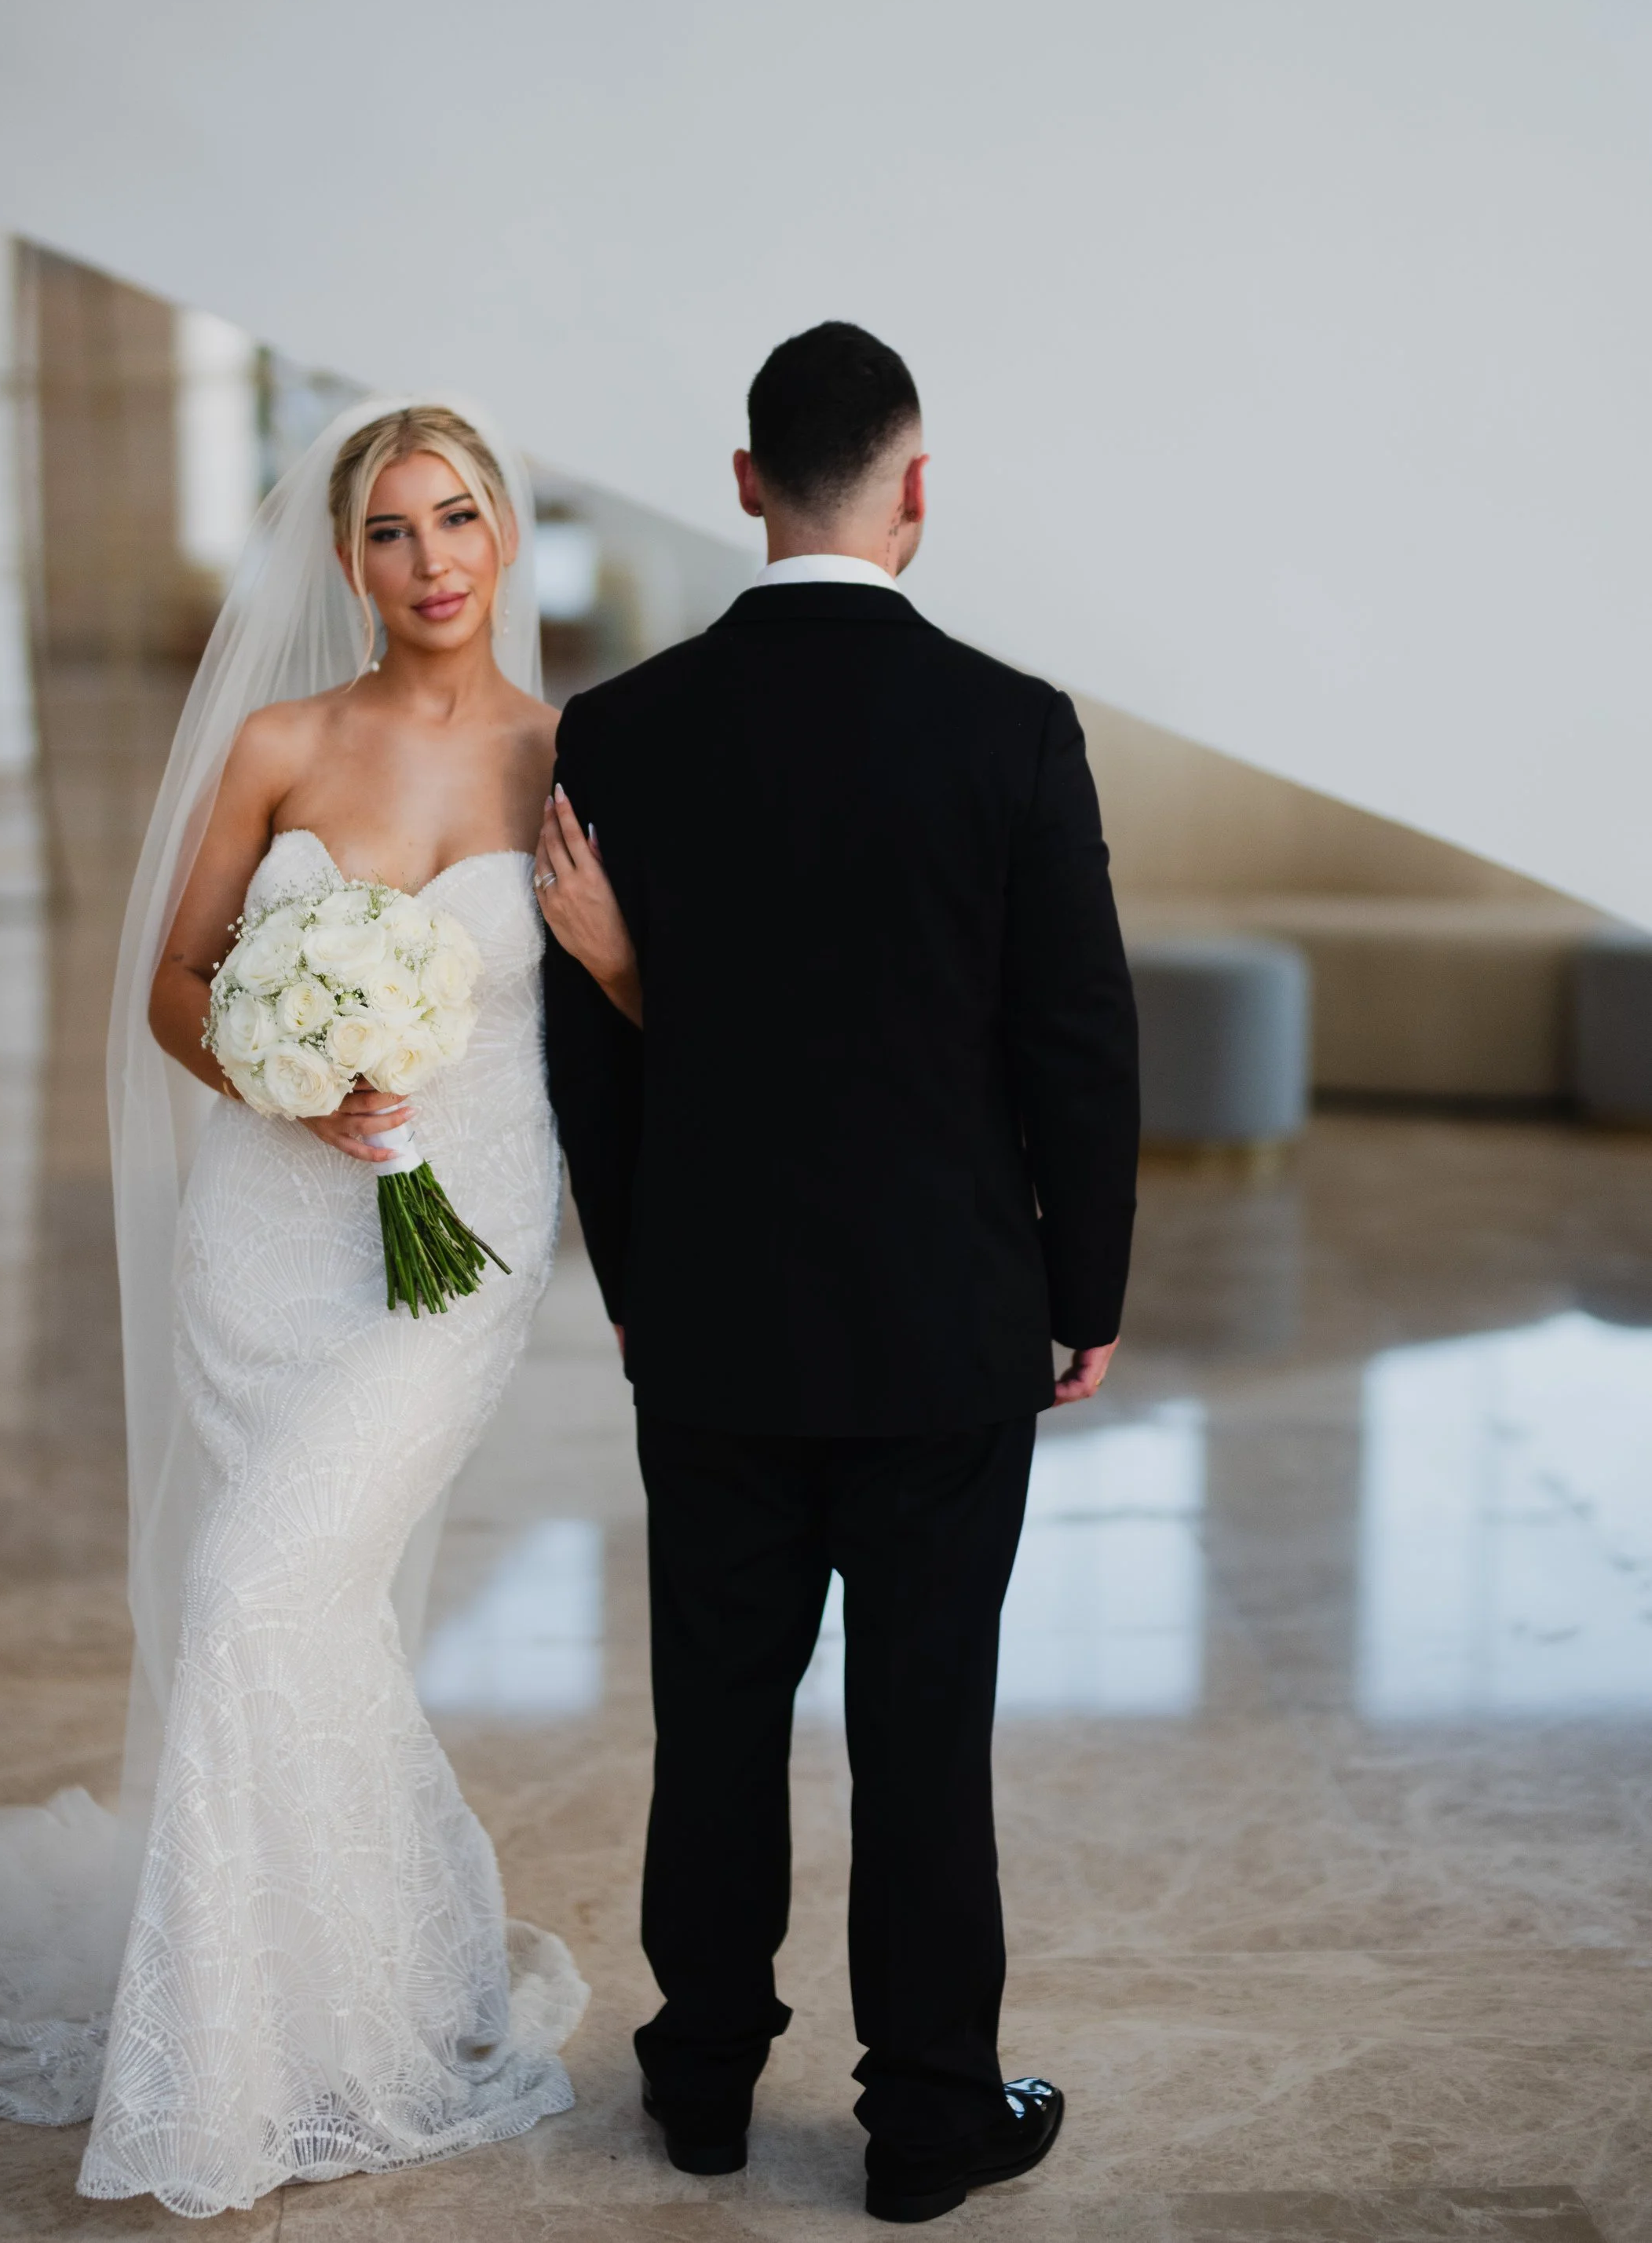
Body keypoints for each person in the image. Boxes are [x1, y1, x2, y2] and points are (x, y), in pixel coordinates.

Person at [0, 398, 616, 2219]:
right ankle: (326, 1992)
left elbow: (637, 1019)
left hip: (457, 1245)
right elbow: (179, 984)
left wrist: (621, 962)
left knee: (258, 1584)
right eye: (390, 529)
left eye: (456, 518)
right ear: (344, 559)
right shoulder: (279, 741)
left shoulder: (571, 760)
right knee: (283, 1606)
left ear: (503, 532)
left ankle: (266, 2036)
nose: (428, 559)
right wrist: (288, 1081)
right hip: (263, 1231)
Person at [537, 322, 1141, 2226]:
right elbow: (1074, 1041)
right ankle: (929, 2118)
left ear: (742, 484)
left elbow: (590, 1049)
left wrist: (633, 1275)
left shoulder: (620, 731)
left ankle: (703, 2080)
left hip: (711, 1321)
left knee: (713, 1716)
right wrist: (1083, 1287)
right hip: (944, 1325)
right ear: (913, 487)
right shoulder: (1010, 727)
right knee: (921, 1734)